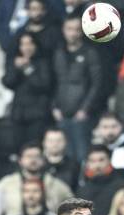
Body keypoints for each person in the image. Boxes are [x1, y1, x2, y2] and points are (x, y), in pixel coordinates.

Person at [52, 15, 103, 161]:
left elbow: (96, 84)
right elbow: (55, 82)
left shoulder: (90, 53)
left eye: (76, 29)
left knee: (82, 155)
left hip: (81, 114)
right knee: (63, 155)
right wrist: (54, 106)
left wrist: (85, 109)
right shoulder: (58, 53)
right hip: (61, 112)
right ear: (63, 30)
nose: (73, 33)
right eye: (69, 29)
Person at [2, 32, 53, 147]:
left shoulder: (43, 62)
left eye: (30, 44)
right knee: (18, 147)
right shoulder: (14, 62)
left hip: (38, 113)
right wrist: (16, 68)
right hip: (19, 113)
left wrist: (28, 68)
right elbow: (7, 82)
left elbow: (43, 84)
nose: (27, 48)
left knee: (35, 145)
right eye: (23, 44)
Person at [0, 142, 72, 215]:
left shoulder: (57, 185)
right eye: (28, 156)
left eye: (37, 156)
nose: (33, 160)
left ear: (43, 160)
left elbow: (73, 208)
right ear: (20, 161)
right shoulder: (6, 184)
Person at [76, 145, 124, 215]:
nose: (97, 165)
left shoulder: (122, 186)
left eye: (101, 160)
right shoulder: (82, 191)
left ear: (109, 161)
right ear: (87, 164)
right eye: (92, 161)